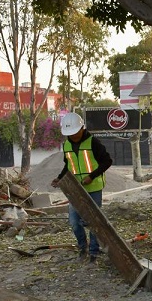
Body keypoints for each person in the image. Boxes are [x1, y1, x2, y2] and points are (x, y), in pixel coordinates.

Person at [51, 112, 112, 263]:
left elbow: (107, 161)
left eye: (75, 133)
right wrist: (60, 178)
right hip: (76, 189)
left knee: (93, 221)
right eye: (70, 134)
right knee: (73, 221)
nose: (73, 136)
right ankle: (82, 248)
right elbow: (68, 165)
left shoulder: (93, 142)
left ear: (81, 128)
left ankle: (93, 252)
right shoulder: (66, 145)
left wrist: (92, 176)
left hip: (94, 187)